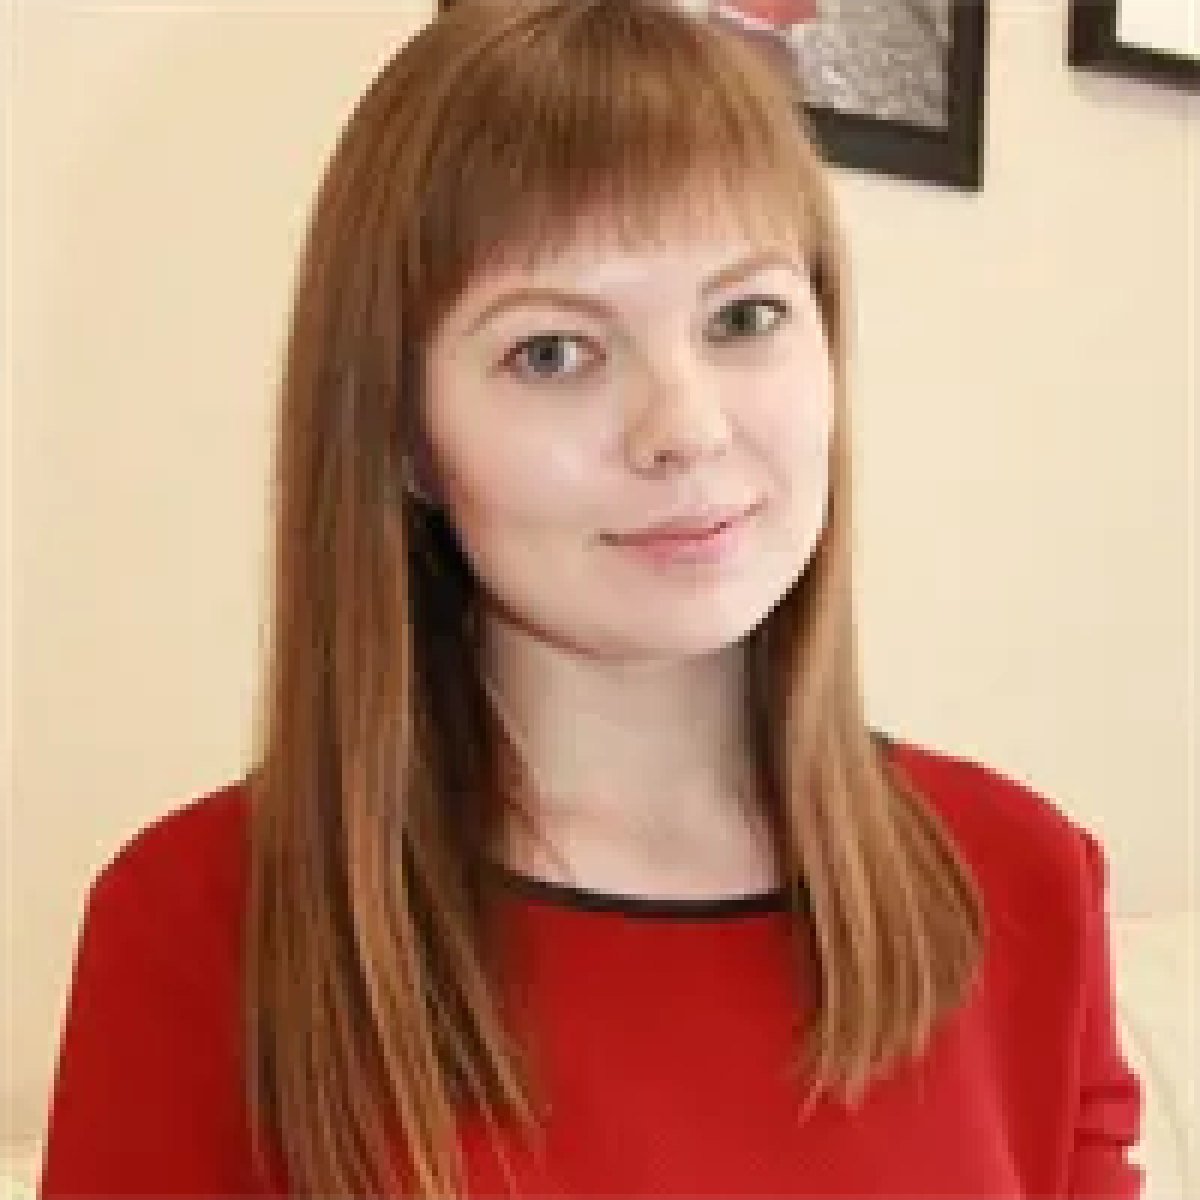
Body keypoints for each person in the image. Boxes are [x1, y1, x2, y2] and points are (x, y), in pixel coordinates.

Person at [37, 1, 1143, 1197]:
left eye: (744, 318)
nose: (686, 427)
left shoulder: (1027, 884)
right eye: (555, 352)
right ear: (404, 433)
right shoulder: (202, 924)